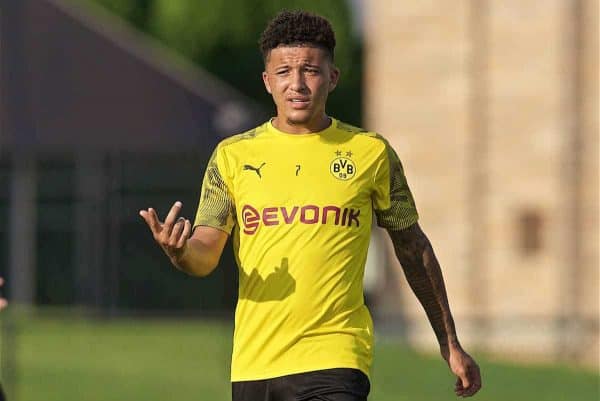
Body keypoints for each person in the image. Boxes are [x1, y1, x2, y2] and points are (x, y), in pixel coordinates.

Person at [140, 10, 482, 401]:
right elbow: (205, 254)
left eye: (310, 70)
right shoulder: (231, 157)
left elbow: (413, 247)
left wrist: (448, 341)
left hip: (336, 358)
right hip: (256, 365)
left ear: (333, 77)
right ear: (268, 82)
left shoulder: (370, 153)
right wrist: (180, 252)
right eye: (284, 72)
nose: (297, 84)